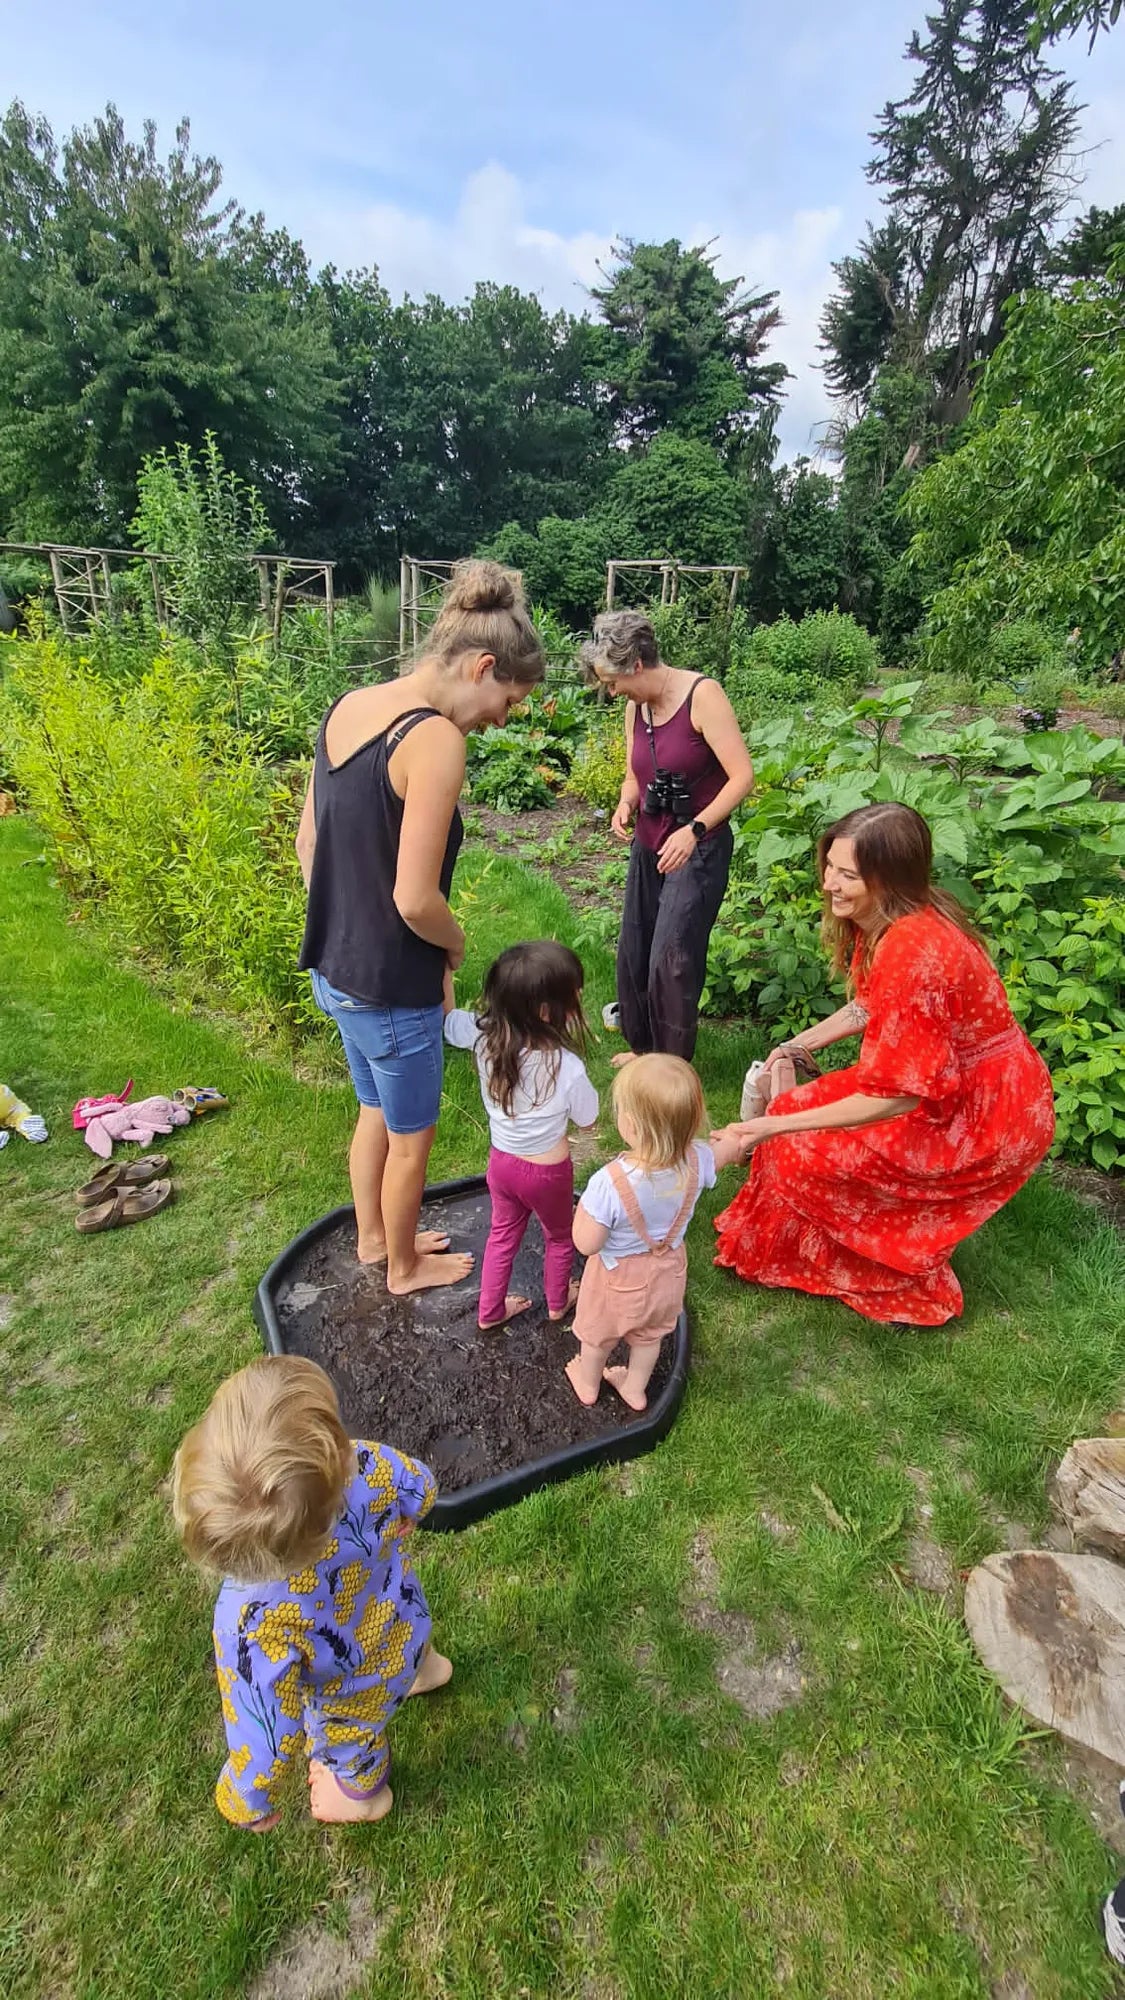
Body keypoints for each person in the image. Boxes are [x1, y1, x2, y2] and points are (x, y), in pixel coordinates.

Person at [296, 562, 545, 1295]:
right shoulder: (434, 739)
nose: (501, 719)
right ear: (482, 666)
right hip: (391, 984)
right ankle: (403, 1268)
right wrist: (456, 944)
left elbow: (306, 845)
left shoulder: (349, 705)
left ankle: (376, 1239)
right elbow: (414, 900)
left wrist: (343, 925)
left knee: (372, 1110)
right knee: (412, 1140)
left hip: (334, 971)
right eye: (506, 701)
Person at [712, 802, 1056, 1326]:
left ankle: (906, 1282)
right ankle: (823, 1245)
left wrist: (767, 1124)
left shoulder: (913, 951)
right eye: (830, 865)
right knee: (797, 1115)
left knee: (798, 1146)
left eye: (847, 874)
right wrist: (797, 1046)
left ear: (889, 878)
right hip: (957, 1086)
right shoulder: (894, 920)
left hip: (983, 1117)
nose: (829, 883)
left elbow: (897, 1096)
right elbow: (869, 1004)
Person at [171, 1354, 452, 1828]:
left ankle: (364, 1797)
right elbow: (420, 1487)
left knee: (352, 1746)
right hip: (405, 1621)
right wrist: (407, 1516)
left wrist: (244, 1800)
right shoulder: (364, 1466)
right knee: (412, 1644)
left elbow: (267, 1731)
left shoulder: (249, 1624)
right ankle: (430, 1670)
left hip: (351, 1695)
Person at [581, 611, 754, 1064]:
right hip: (650, 841)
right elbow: (633, 773)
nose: (611, 690)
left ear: (636, 664)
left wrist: (695, 830)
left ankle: (672, 1067)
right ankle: (644, 1051)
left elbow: (741, 777)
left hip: (698, 847)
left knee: (671, 959)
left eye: (613, 681)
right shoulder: (634, 707)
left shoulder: (703, 695)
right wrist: (626, 801)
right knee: (635, 949)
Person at [566, 1054, 742, 1412]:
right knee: (650, 1336)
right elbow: (724, 1153)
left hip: (616, 1276)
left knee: (598, 1333)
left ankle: (587, 1382)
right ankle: (634, 1387)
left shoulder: (610, 1182)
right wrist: (738, 1140)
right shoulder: (697, 1159)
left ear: (629, 1125)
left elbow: (587, 1243)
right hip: (668, 1270)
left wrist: (581, 1215)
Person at [444, 941, 599, 1330]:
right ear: (546, 1011)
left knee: (502, 1237)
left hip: (502, 1165)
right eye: (574, 994)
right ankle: (558, 1304)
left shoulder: (483, 1037)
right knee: (560, 1238)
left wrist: (443, 971)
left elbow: (449, 1024)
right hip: (547, 1174)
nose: (579, 999)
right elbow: (588, 1116)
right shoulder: (567, 1066)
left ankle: (490, 1312)